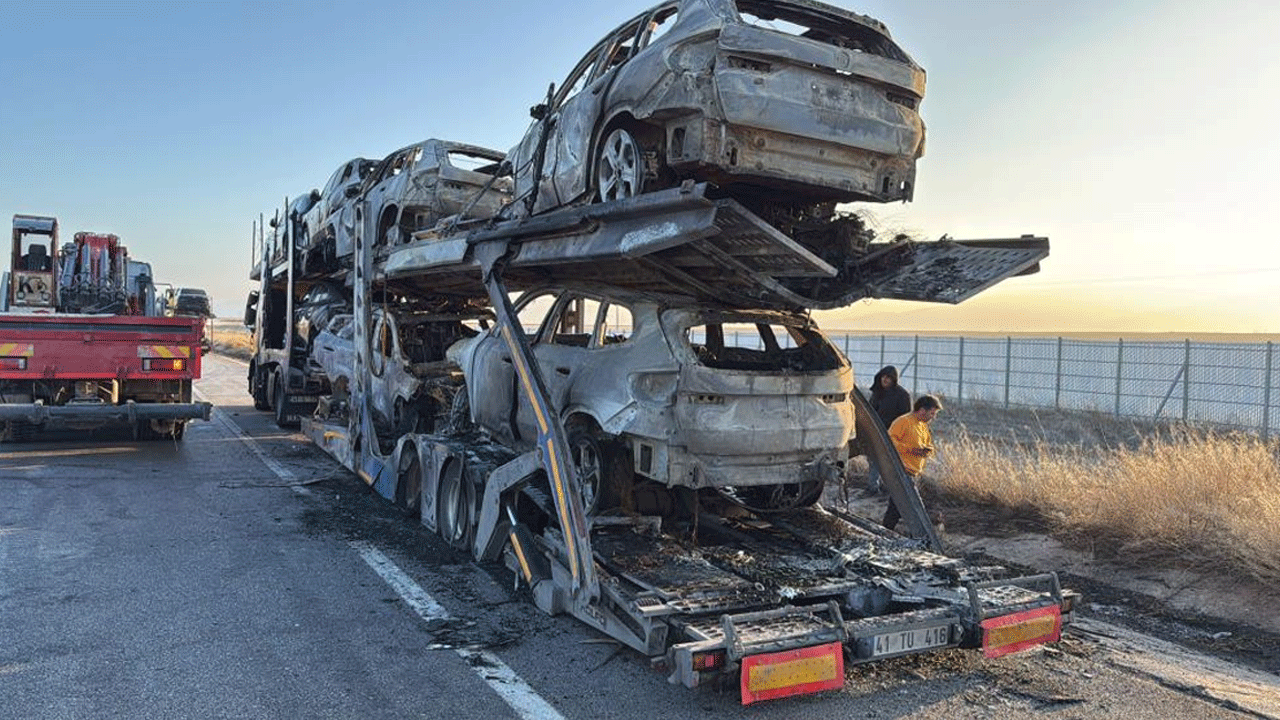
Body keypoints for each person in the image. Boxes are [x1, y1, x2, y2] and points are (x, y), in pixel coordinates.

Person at [882, 394, 942, 531]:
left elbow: (928, 445)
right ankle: (915, 532)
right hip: (900, 470)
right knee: (903, 504)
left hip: (912, 472)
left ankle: (887, 530)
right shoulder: (903, 421)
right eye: (932, 413)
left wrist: (927, 451)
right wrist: (912, 450)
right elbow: (889, 442)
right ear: (922, 410)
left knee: (897, 505)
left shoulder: (922, 426)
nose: (933, 417)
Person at [865, 365, 911, 494]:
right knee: (873, 460)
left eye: (889, 378)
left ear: (894, 379)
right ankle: (873, 487)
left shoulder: (902, 395)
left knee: (890, 463)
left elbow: (905, 417)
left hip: (892, 435)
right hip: (875, 432)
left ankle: (892, 489)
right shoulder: (877, 392)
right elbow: (870, 411)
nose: (885, 380)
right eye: (883, 377)